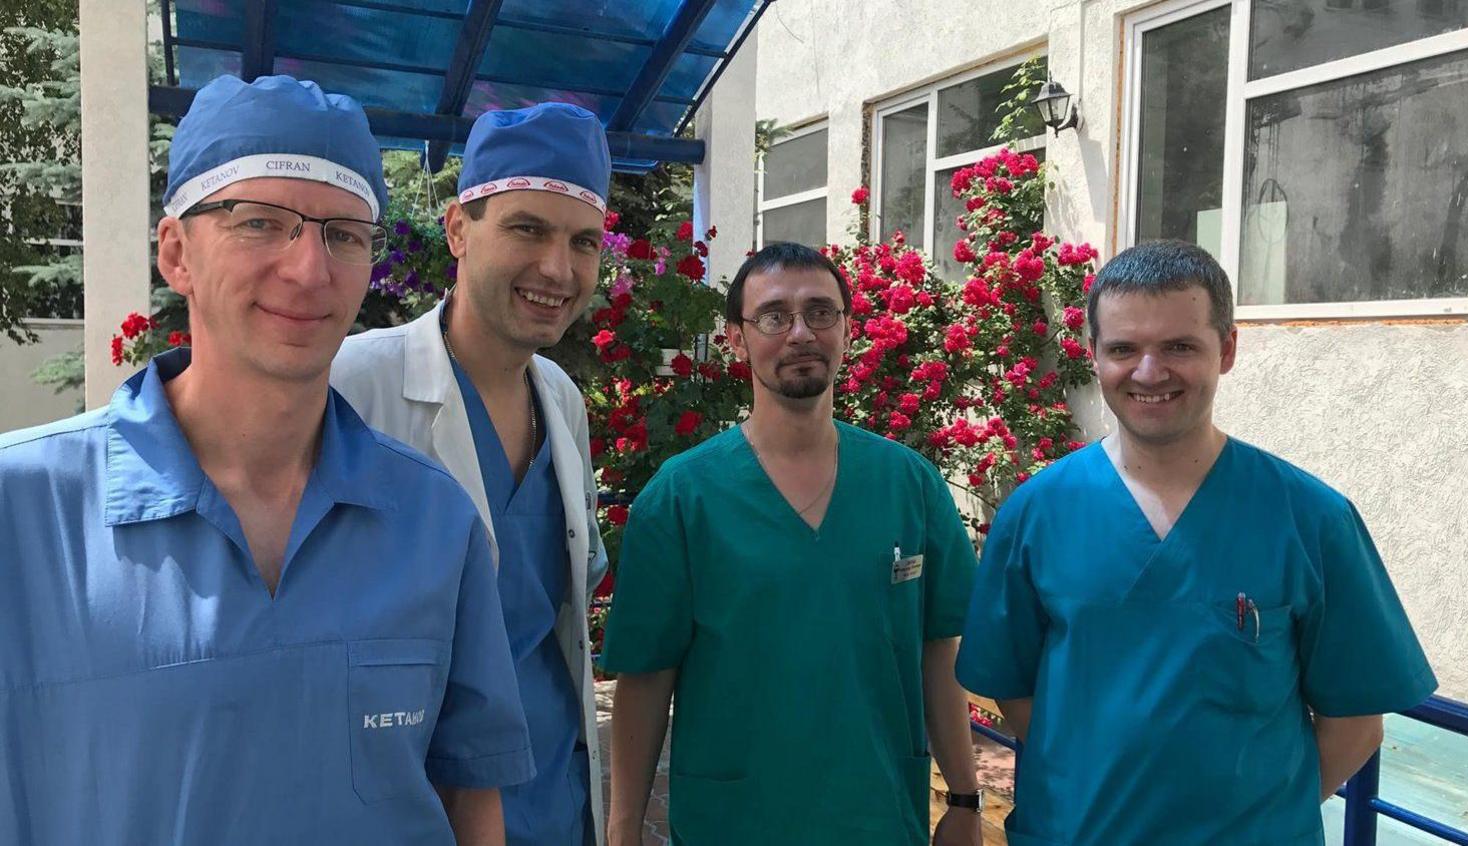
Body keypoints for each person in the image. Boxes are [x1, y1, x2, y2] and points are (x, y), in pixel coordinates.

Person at [0, 75, 533, 844]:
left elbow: (470, 798)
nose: (309, 271)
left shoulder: (432, 521)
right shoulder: (26, 515)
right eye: (259, 223)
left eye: (343, 234)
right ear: (176, 253)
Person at [956, 239, 1437, 846]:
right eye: (1123, 349)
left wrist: (1252, 814)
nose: (1149, 373)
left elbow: (1355, 725)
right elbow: (1014, 690)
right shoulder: (1035, 514)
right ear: (1094, 356)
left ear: (1227, 349)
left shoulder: (1312, 519)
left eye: (1179, 346)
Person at [600, 242, 982, 846]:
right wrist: (622, 831)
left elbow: (939, 648)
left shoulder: (908, 484)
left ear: (848, 331)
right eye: (774, 316)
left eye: (821, 312)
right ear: (736, 338)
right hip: (734, 821)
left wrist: (963, 797)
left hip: (879, 816)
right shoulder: (681, 497)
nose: (800, 332)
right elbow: (647, 677)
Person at [332, 102, 611, 846]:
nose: (558, 269)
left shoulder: (561, 400)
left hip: (556, 797)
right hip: (417, 809)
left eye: (583, 241)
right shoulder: (354, 387)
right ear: (459, 228)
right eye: (527, 228)